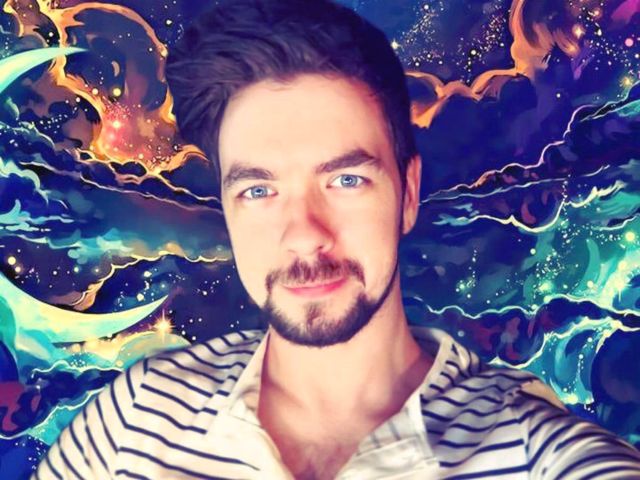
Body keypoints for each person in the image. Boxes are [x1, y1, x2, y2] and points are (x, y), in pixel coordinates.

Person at [33, 0, 640, 479]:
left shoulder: (542, 459)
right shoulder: (132, 420)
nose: (304, 235)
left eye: (346, 180)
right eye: (258, 190)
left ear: (407, 194)